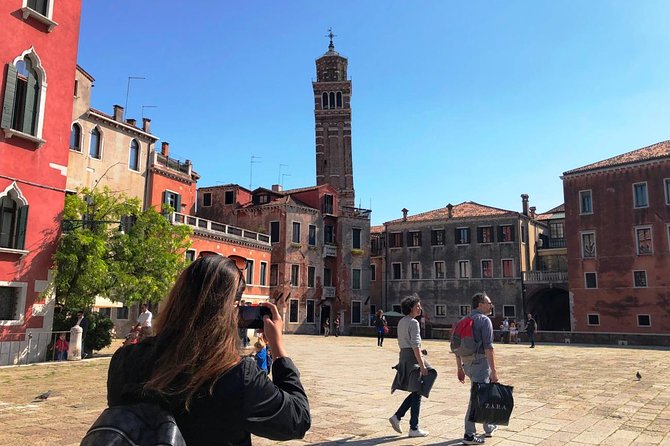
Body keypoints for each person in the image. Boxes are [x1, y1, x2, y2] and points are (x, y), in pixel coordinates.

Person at [106, 255, 311, 445]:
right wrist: (278, 349)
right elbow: (297, 420)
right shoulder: (237, 376)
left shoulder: (124, 360)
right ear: (230, 309)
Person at [389, 294, 437, 438]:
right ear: (411, 308)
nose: (420, 308)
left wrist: (419, 351)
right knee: (424, 383)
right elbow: (415, 345)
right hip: (412, 358)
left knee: (417, 391)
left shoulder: (402, 321)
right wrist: (422, 365)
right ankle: (413, 427)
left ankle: (399, 417)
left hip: (404, 356)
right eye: (417, 306)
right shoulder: (413, 323)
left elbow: (406, 343)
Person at [455, 292, 499, 445]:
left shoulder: (463, 320)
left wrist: (459, 368)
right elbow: (489, 347)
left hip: (467, 364)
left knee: (483, 395)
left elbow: (456, 347)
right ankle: (469, 435)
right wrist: (493, 371)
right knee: (475, 399)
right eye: (488, 303)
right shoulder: (484, 320)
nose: (491, 305)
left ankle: (488, 427)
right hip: (480, 364)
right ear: (480, 305)